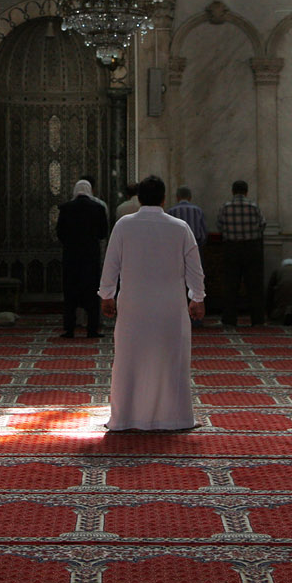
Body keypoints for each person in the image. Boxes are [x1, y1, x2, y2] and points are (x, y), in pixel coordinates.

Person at [100, 175, 206, 431]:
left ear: (138, 199)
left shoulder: (124, 225)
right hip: (170, 307)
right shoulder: (179, 227)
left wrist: (107, 295)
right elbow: (195, 269)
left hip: (133, 306)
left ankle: (125, 418)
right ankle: (176, 419)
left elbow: (111, 263)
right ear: (163, 198)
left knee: (129, 361)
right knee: (171, 361)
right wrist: (197, 297)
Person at [57, 179, 110, 338]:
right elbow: (102, 233)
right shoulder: (98, 208)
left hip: (71, 256)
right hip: (90, 256)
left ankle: (69, 329)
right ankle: (92, 330)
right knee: (92, 292)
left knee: (70, 292)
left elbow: (60, 233)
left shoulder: (66, 208)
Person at [216, 179, 265, 327]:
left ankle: (229, 320)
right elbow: (262, 224)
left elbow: (220, 226)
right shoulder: (253, 206)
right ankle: (257, 320)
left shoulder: (226, 207)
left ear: (233, 191)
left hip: (231, 248)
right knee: (254, 286)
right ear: (246, 191)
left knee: (231, 286)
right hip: (252, 248)